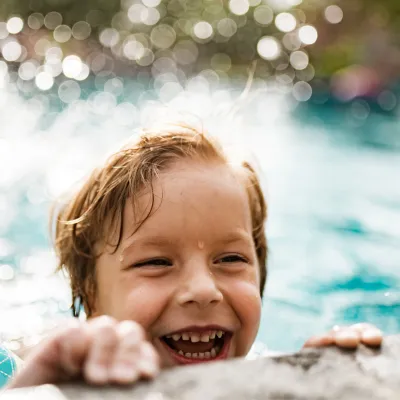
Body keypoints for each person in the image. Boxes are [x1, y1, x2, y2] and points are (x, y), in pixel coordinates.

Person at [5, 123, 383, 389]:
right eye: (155, 262)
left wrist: (326, 375)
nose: (204, 290)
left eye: (231, 259)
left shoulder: (265, 374)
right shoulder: (38, 375)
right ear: (90, 297)